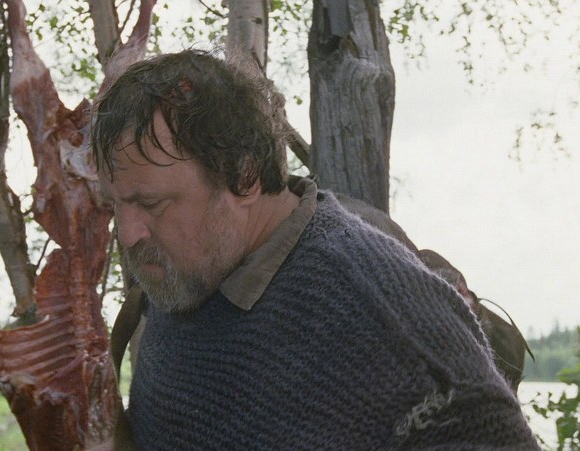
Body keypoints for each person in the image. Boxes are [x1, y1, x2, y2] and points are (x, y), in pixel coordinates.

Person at [91, 49, 540, 450]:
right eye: (116, 204)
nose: (127, 234)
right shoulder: (184, 273)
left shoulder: (396, 329)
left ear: (244, 176)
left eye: (151, 204)